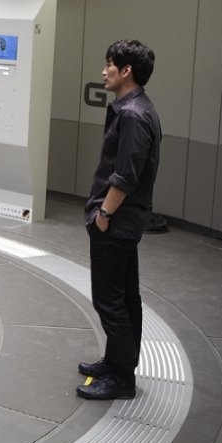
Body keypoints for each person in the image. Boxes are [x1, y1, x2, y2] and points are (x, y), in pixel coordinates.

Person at [76, 39, 161, 401]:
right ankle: (116, 363)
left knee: (110, 301)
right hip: (124, 223)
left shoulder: (132, 115)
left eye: (109, 64)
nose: (104, 71)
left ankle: (122, 379)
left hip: (116, 223)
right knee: (125, 298)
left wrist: (104, 215)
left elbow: (125, 176)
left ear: (126, 70)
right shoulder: (137, 108)